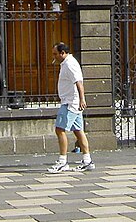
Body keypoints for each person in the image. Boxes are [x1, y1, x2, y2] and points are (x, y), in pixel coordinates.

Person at [48, 42, 95, 173]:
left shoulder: (69, 64)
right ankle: (87, 160)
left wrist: (82, 99)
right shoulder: (67, 63)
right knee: (78, 130)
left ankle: (62, 162)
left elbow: (78, 82)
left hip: (70, 103)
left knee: (59, 129)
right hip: (72, 101)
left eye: (55, 54)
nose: (54, 56)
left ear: (63, 53)